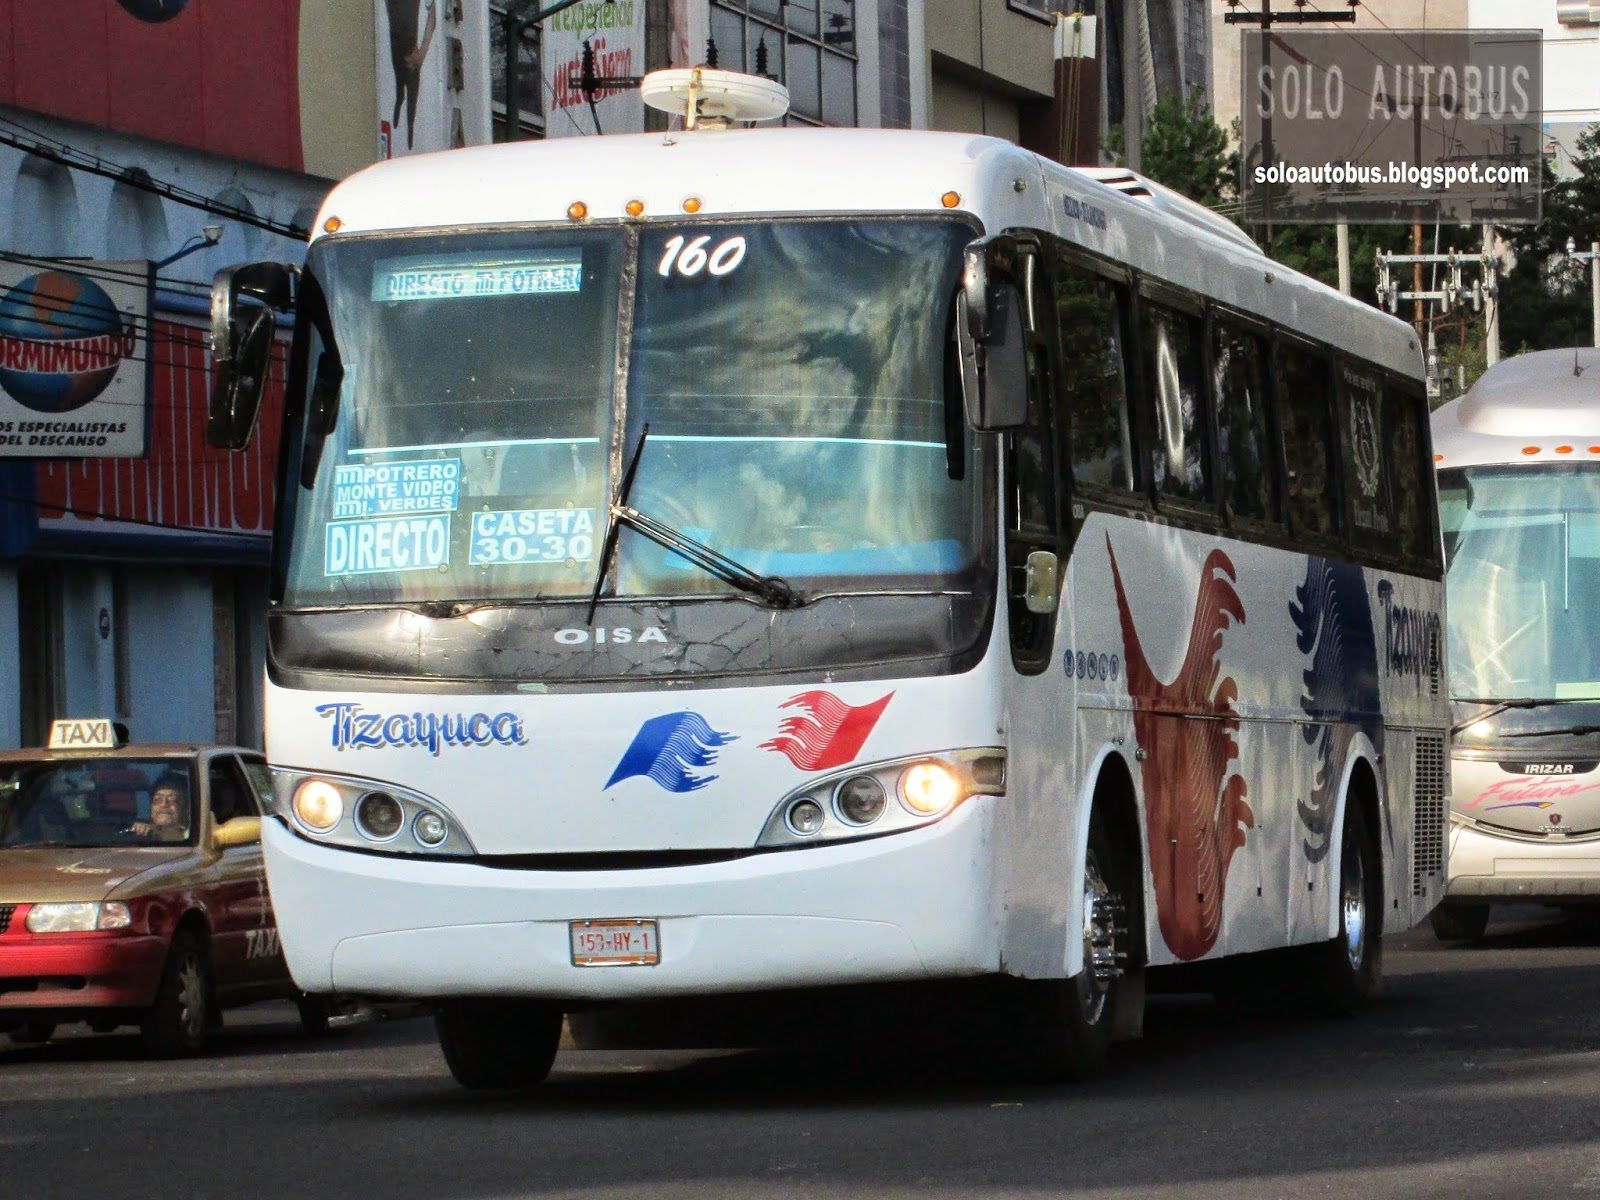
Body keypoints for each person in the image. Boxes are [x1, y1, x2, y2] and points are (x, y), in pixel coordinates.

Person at [386, 0, 437, 151]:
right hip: (399, 48)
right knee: (402, 97)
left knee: (407, 103)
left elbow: (432, 15)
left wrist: (422, 52)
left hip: (407, 50)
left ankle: (408, 136)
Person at [129, 774, 190, 843]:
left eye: (172, 799)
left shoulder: (198, 838)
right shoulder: (141, 836)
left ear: (187, 807)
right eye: (157, 799)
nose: (163, 804)